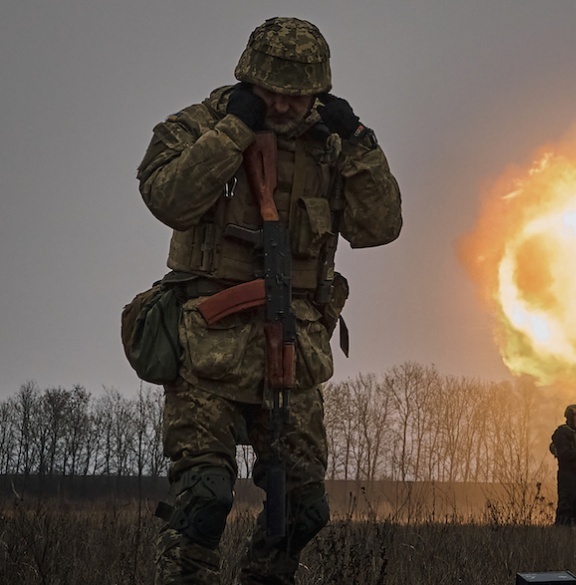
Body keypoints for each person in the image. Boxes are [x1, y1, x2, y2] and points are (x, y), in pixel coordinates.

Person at [136, 17, 402, 585]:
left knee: (303, 509)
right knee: (203, 500)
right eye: (273, 91)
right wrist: (234, 131)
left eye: (298, 93)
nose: (283, 104)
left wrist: (359, 142)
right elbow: (168, 198)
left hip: (294, 347)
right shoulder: (201, 125)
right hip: (208, 350)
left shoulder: (332, 145)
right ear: (250, 78)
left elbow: (380, 226)